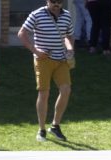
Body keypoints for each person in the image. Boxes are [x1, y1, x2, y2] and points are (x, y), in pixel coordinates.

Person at [18, 0, 74, 142]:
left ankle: (55, 126)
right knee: (44, 93)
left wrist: (69, 48)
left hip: (61, 59)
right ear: (47, 1)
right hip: (43, 59)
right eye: (53, 1)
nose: (56, 4)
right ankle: (41, 129)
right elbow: (22, 33)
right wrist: (35, 50)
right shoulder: (37, 14)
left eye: (59, 2)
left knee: (66, 90)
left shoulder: (67, 15)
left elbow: (68, 36)